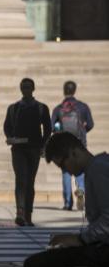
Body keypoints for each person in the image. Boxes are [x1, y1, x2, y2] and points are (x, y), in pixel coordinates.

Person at [22, 132, 109, 267]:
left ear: (74, 152)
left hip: (105, 249)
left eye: (63, 164)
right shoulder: (97, 166)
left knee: (34, 266)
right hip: (101, 245)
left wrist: (80, 239)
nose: (65, 170)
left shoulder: (98, 169)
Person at [2, 78, 51, 227]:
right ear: (20, 89)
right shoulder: (14, 108)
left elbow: (48, 129)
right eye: (23, 87)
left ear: (33, 88)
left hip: (34, 148)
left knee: (30, 182)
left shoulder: (41, 107)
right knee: (21, 180)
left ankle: (28, 215)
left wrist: (42, 145)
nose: (26, 89)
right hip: (18, 149)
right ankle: (20, 213)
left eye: (29, 87)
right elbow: (7, 127)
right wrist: (10, 138)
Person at [51, 81, 94, 211]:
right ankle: (80, 189)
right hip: (80, 144)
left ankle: (68, 203)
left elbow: (52, 127)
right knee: (80, 171)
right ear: (74, 90)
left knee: (66, 173)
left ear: (64, 91)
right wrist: (83, 131)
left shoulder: (58, 108)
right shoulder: (83, 107)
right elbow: (91, 124)